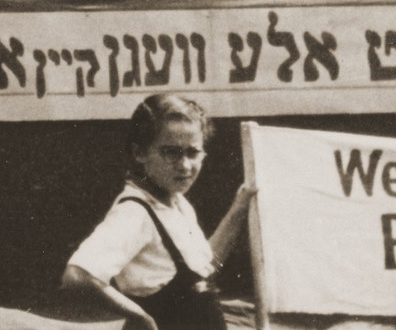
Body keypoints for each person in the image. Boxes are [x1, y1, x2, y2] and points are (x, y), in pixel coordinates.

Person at [63, 95, 255, 330]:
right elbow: (77, 276)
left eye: (193, 152)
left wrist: (240, 206)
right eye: (171, 152)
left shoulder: (177, 204)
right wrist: (139, 317)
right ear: (140, 153)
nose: (185, 165)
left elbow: (205, 269)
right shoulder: (134, 212)